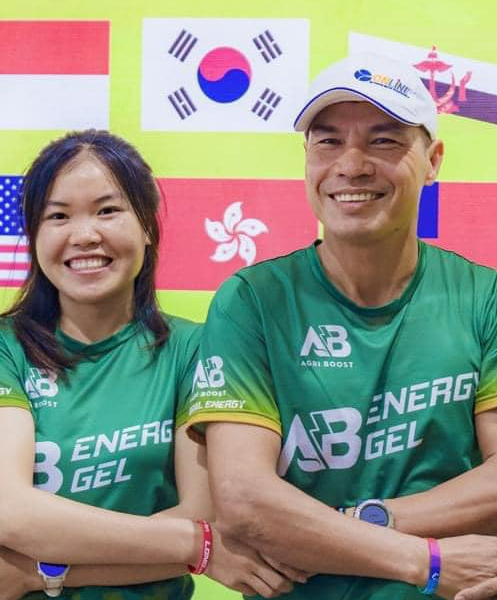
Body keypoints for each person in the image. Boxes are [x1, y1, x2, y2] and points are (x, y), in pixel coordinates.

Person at [0, 130, 307, 600]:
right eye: (58, 216)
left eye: (107, 211)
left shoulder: (196, 348)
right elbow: (12, 516)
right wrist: (192, 545)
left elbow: (202, 514)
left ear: (147, 226)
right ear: (34, 235)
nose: (84, 236)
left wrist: (37, 573)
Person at [182, 52, 497, 600]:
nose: (351, 165)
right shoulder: (253, 299)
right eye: (328, 141)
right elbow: (244, 501)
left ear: (433, 161)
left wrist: (366, 520)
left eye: (383, 140)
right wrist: (425, 561)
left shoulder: (484, 296)